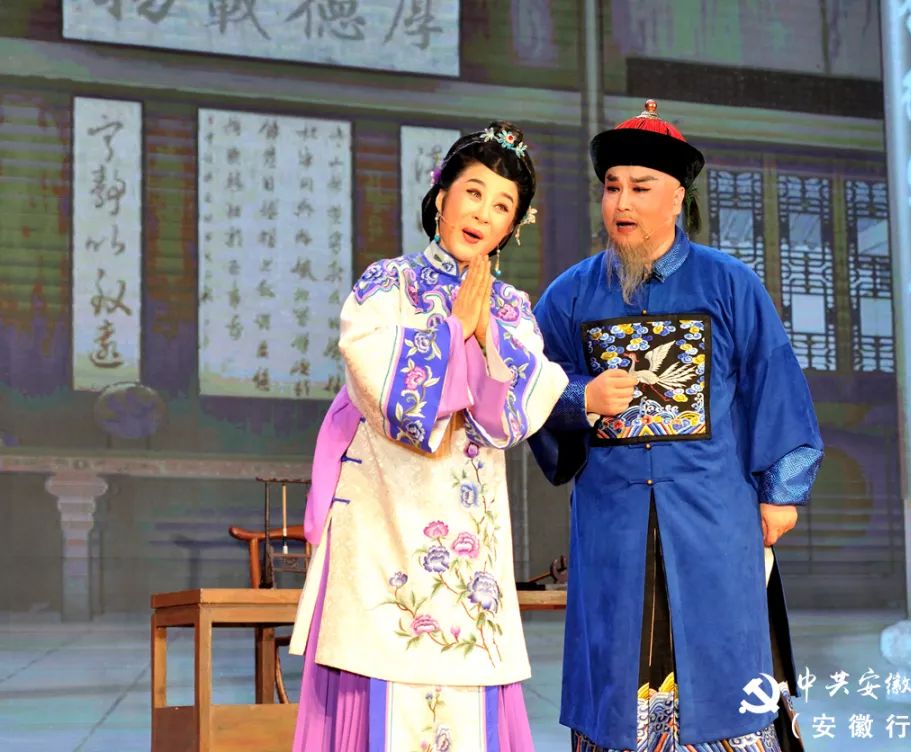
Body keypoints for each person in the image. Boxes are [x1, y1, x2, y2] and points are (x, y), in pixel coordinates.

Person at [528, 100, 823, 751]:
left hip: (714, 516)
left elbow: (774, 384)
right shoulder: (570, 295)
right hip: (612, 521)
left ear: (676, 198)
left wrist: (780, 492)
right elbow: (527, 388)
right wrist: (581, 397)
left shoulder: (729, 284)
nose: (622, 202)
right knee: (616, 668)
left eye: (640, 188)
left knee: (726, 667)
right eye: (612, 188)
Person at [290, 121, 568, 752]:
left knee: (464, 673)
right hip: (385, 512)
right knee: (382, 657)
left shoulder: (512, 309)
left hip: (468, 526)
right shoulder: (386, 284)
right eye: (473, 192)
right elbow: (379, 386)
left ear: (512, 227)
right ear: (441, 196)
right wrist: (452, 331)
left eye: (502, 205)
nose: (483, 213)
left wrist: (483, 332)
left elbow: (514, 414)